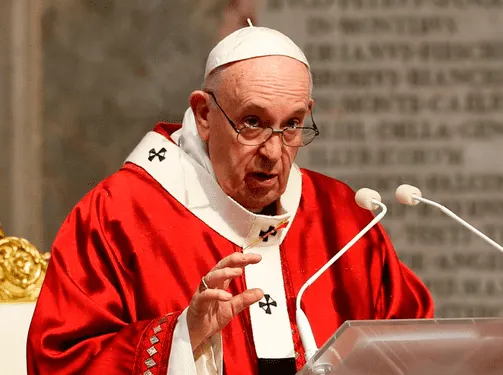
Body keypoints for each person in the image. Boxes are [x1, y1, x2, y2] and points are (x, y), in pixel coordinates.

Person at [26, 22, 434, 375]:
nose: (274, 153)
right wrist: (183, 336)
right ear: (204, 115)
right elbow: (60, 361)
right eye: (252, 123)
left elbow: (416, 345)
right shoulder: (118, 214)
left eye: (291, 125)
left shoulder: (342, 215)